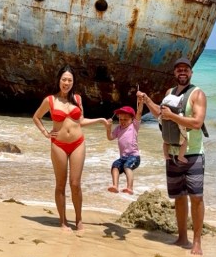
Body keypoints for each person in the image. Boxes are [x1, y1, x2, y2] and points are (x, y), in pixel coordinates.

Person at [137, 57, 208, 255]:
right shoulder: (169, 93)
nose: (182, 72)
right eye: (179, 70)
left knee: (196, 197)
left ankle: (197, 242)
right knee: (179, 197)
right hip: (173, 154)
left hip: (193, 153)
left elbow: (196, 122)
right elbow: (160, 115)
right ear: (175, 73)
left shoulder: (198, 94)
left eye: (186, 69)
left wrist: (172, 116)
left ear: (191, 73)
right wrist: (147, 100)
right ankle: (182, 237)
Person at [31, 64, 104, 231]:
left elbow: (81, 121)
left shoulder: (77, 99)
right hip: (59, 145)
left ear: (73, 82)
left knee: (76, 183)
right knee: (60, 184)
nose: (66, 83)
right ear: (59, 80)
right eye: (64, 79)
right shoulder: (50, 100)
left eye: (70, 80)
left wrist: (99, 120)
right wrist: (45, 132)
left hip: (78, 143)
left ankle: (79, 220)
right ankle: (63, 221)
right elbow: (36, 117)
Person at [105, 104, 142, 194]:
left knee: (127, 166)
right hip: (123, 158)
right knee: (115, 165)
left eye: (126, 119)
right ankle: (115, 186)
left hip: (134, 156)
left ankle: (129, 188)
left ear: (132, 119)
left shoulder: (134, 126)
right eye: (120, 119)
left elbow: (139, 112)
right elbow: (110, 137)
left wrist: (141, 102)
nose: (122, 121)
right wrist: (108, 128)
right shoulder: (118, 128)